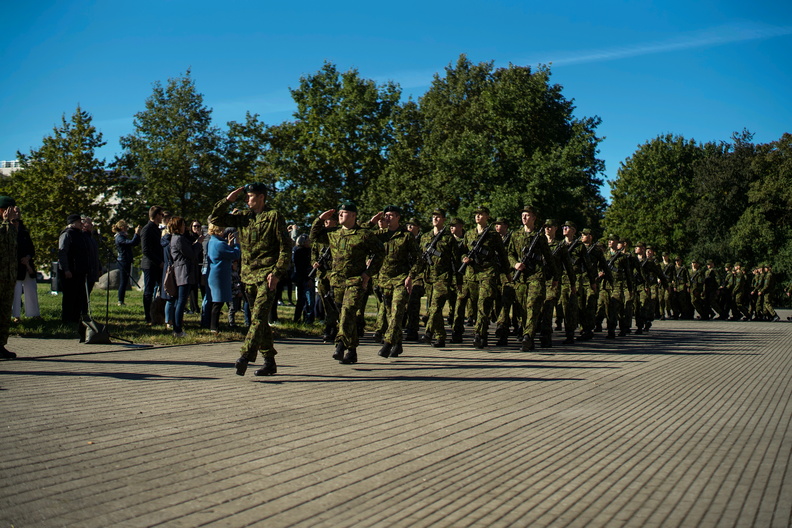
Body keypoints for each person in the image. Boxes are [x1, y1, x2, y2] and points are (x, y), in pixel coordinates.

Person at [209, 183, 292, 376]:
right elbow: (216, 219)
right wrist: (228, 200)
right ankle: (269, 361)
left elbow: (285, 247)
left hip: (267, 276)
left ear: (261, 197)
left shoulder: (274, 216)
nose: (247, 199)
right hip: (248, 277)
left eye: (250, 196)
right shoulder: (243, 217)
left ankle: (245, 356)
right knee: (259, 321)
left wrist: (277, 273)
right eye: (245, 196)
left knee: (259, 317)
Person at [310, 203, 385, 365]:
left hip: (355, 281)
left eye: (344, 213)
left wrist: (368, 273)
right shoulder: (334, 233)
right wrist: (320, 219)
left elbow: (380, 252)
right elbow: (314, 236)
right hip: (337, 282)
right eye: (340, 213)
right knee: (345, 316)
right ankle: (352, 350)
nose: (340, 215)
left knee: (348, 311)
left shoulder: (364, 234)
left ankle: (340, 344)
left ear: (353, 215)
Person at [371, 206, 420, 359]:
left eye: (391, 215)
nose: (388, 218)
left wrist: (411, 276)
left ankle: (388, 342)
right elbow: (362, 236)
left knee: (397, 309)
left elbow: (418, 258)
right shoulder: (380, 235)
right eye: (386, 215)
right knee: (388, 313)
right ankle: (397, 343)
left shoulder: (406, 236)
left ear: (398, 217)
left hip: (401, 278)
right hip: (384, 279)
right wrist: (372, 222)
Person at [507, 206, 557, 351]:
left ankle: (528, 336)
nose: (524, 217)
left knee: (533, 305)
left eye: (527, 215)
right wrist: (515, 264)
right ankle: (527, 333)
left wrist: (555, 277)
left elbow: (549, 258)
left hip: (536, 275)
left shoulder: (540, 236)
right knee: (522, 307)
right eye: (523, 214)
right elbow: (509, 254)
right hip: (521, 277)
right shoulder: (515, 235)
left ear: (534, 218)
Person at [416, 209, 460, 348]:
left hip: (443, 276)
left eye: (438, 217)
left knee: (435, 306)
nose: (435, 219)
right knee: (434, 308)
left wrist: (458, 281)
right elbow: (419, 258)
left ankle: (428, 332)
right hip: (428, 276)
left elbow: (456, 261)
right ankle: (440, 336)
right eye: (433, 216)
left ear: (444, 219)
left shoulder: (449, 238)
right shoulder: (425, 237)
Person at [206, 223, 241, 333]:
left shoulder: (212, 242)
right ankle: (214, 326)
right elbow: (235, 255)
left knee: (214, 301)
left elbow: (224, 252)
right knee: (218, 302)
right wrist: (237, 244)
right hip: (220, 275)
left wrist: (229, 245)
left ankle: (211, 324)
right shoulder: (220, 244)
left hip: (214, 274)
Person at [58, 214, 90, 330]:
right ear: (72, 223)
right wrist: (66, 269)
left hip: (79, 271)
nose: (81, 224)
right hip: (70, 270)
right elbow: (62, 252)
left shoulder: (80, 234)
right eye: (79, 222)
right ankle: (67, 319)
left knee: (79, 296)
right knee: (69, 296)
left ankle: (76, 318)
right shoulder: (67, 234)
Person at [168, 216, 199, 337]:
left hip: (181, 270)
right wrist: (198, 244)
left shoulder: (177, 238)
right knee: (181, 301)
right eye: (182, 224)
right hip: (184, 271)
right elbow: (190, 253)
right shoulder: (179, 239)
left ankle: (177, 327)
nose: (185, 227)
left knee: (180, 301)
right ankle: (177, 329)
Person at [12, 207, 40, 322]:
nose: (17, 214)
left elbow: (31, 248)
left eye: (19, 212)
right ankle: (16, 315)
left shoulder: (24, 231)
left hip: (27, 264)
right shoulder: (7, 229)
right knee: (16, 291)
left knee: (31, 288)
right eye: (15, 212)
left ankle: (34, 313)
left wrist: (27, 258)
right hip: (15, 265)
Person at [0, 196, 19, 359]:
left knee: (5, 312)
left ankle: (0, 344)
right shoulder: (4, 225)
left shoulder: (10, 226)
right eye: (10, 209)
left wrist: (10, 223)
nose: (14, 212)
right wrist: (6, 222)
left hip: (8, 276)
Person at [141, 206, 165, 325]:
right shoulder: (147, 229)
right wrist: (159, 262)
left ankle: (159, 314)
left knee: (163, 289)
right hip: (150, 265)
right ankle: (148, 317)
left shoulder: (156, 228)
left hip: (158, 264)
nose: (162, 217)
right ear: (156, 215)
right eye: (161, 215)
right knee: (148, 292)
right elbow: (146, 250)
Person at [113, 220, 140, 306]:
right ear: (122, 228)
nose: (127, 229)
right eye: (126, 227)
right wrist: (136, 233)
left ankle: (121, 300)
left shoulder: (122, 236)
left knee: (125, 281)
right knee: (123, 281)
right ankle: (120, 300)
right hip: (123, 261)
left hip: (126, 260)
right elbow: (131, 243)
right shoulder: (119, 237)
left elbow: (134, 243)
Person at [292, 234, 315, 324]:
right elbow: (300, 267)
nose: (309, 242)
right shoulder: (299, 251)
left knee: (303, 300)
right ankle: (306, 319)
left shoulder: (307, 250)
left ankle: (300, 318)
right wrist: (308, 279)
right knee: (307, 300)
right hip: (303, 278)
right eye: (307, 240)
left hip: (304, 277)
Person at [81, 217, 101, 294]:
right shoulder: (82, 236)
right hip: (86, 269)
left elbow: (95, 254)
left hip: (93, 269)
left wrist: (99, 267)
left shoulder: (92, 238)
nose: (92, 225)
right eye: (89, 223)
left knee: (88, 291)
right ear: (83, 225)